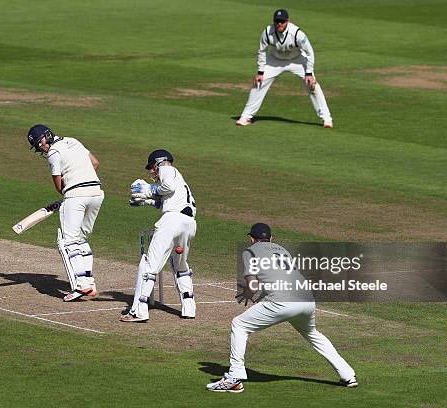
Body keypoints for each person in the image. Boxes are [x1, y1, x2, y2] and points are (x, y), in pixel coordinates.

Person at [206, 223, 357, 393]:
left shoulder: (250, 251)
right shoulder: (281, 249)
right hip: (307, 300)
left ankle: (234, 376)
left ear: (251, 239)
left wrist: (248, 293)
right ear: (271, 238)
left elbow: (253, 285)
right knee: (313, 334)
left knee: (239, 324)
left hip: (282, 302)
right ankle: (348, 375)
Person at [26, 124, 104, 302]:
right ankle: (89, 284)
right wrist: (82, 181)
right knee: (81, 238)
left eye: (40, 143)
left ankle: (81, 285)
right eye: (38, 146)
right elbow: (95, 163)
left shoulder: (53, 153)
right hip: (96, 192)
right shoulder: (73, 140)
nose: (41, 148)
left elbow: (58, 186)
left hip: (76, 195)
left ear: (46, 136)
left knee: (67, 241)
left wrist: (72, 195)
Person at [120, 149, 197, 323]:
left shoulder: (167, 169)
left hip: (172, 222)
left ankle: (139, 310)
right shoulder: (181, 181)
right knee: (180, 265)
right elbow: (166, 201)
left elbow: (166, 188)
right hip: (189, 223)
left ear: (158, 162)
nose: (151, 171)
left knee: (150, 265)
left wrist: (148, 190)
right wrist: (146, 200)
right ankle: (189, 307)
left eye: (151, 167)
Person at [235, 9, 333, 128]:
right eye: (277, 21)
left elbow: (310, 52)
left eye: (282, 21)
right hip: (275, 61)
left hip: (296, 60)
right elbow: (261, 51)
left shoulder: (297, 33)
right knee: (258, 83)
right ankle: (246, 117)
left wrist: (308, 74)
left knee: (312, 85)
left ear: (287, 21)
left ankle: (326, 118)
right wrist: (260, 72)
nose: (279, 24)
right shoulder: (267, 32)